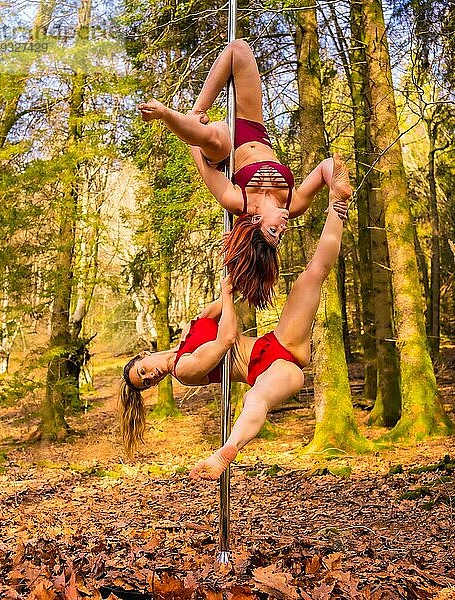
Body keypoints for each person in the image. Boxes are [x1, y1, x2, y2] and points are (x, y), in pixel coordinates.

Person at [119, 154, 351, 480]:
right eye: (147, 383)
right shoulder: (184, 370)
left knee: (313, 275)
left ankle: (337, 206)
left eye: (143, 370)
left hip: (274, 344)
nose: (151, 375)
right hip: (269, 369)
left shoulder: (187, 336)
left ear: (144, 356)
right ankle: (226, 453)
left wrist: (239, 277)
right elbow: (227, 337)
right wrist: (227, 297)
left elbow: (215, 309)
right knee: (256, 398)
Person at [139, 40, 347, 308]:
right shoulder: (293, 204)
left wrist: (191, 136)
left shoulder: (239, 202)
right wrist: (334, 191)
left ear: (258, 221)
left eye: (274, 230)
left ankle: (166, 114)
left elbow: (204, 169)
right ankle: (197, 111)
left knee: (216, 143)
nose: (283, 227)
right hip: (253, 129)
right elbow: (326, 165)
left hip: (226, 149)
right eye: (281, 234)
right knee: (239, 50)